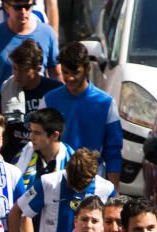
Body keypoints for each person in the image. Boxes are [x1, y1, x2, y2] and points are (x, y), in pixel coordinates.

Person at [10, 149, 114, 232]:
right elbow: (18, 211)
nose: (77, 191)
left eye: (82, 187)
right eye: (72, 186)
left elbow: (115, 224)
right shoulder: (49, 182)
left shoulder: (106, 189)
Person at [41, 43, 122, 188]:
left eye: (75, 72)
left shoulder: (106, 103)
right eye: (65, 72)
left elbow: (113, 152)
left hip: (92, 182)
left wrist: (114, 190)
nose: (70, 78)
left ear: (87, 69)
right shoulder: (48, 100)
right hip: (56, 181)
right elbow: (39, 141)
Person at [0, 39, 63, 161]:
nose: (17, 74)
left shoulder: (53, 91)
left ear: (38, 68)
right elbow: (4, 129)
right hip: (13, 157)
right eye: (15, 68)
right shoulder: (8, 88)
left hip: (43, 157)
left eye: (24, 70)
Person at [0, 0, 61, 85]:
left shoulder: (47, 33)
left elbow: (56, 74)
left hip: (40, 97)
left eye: (27, 7)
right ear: (6, 7)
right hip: (4, 96)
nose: (23, 12)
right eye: (18, 7)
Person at [13, 106, 71, 194]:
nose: (31, 137)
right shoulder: (23, 155)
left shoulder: (71, 161)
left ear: (55, 135)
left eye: (37, 133)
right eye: (31, 131)